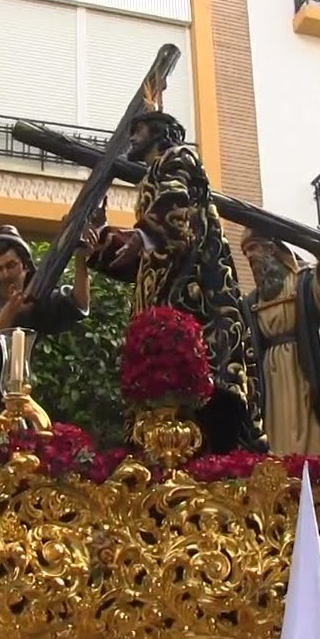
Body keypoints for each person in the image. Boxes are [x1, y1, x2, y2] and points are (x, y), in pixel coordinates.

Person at [87, 105, 267, 454]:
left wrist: (141, 236)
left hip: (198, 309)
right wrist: (102, 244)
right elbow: (147, 263)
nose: (132, 138)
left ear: (159, 131)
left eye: (137, 130)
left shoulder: (178, 157)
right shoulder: (153, 179)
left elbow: (173, 207)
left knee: (206, 423)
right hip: (167, 318)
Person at [0, 224, 96, 422]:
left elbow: (78, 303)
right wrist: (10, 311)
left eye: (11, 265)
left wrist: (80, 258)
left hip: (20, 393)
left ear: (25, 264)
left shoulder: (37, 295)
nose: (5, 274)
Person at [240, 230, 320, 456]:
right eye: (245, 252)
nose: (249, 256)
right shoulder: (253, 300)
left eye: (253, 248)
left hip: (304, 366)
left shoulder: (305, 281)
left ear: (271, 248)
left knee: (311, 429)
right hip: (269, 379)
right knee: (274, 431)